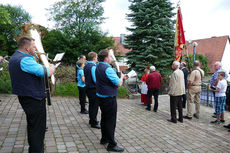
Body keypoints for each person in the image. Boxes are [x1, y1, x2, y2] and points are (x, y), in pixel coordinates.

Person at [8, 36, 55, 153]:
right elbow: (46, 72)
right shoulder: (25, 60)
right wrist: (52, 67)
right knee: (38, 129)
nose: (35, 49)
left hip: (26, 96)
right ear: (27, 47)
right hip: (33, 98)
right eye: (34, 46)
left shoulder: (16, 57)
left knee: (33, 125)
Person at [96, 49, 128, 152]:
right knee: (110, 121)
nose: (111, 58)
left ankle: (104, 138)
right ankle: (112, 144)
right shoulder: (108, 68)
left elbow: (108, 79)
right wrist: (122, 77)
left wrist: (120, 77)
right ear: (106, 58)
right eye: (110, 56)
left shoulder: (98, 66)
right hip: (109, 98)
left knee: (104, 118)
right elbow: (118, 84)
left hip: (101, 97)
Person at [84, 51, 100, 129]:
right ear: (94, 58)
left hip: (88, 87)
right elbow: (95, 79)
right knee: (94, 106)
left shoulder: (86, 65)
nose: (97, 59)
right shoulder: (93, 66)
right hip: (93, 89)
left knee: (91, 105)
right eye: (96, 57)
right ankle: (94, 122)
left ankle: (91, 120)